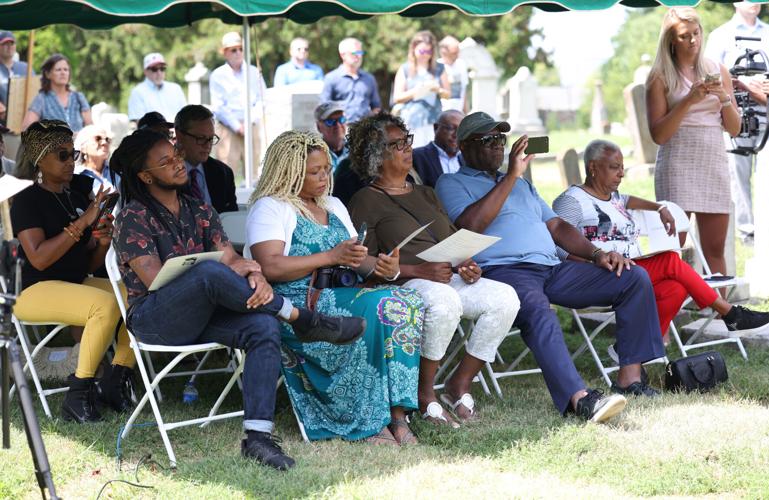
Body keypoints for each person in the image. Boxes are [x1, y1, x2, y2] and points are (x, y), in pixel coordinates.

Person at [110, 129, 366, 470]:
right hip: (155, 320)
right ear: (145, 175)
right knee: (208, 272)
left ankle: (258, 438)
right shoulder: (133, 217)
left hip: (203, 314)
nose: (178, 162)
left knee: (262, 325)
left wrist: (256, 275)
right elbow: (154, 279)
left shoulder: (198, 208)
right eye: (165, 161)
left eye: (175, 154)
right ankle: (298, 317)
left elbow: (233, 259)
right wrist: (211, 271)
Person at [436, 112, 666, 418]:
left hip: (552, 268)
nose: (497, 146)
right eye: (487, 139)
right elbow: (470, 224)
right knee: (539, 311)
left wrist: (597, 254)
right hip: (505, 273)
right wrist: (511, 177)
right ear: (464, 146)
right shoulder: (451, 182)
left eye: (500, 139)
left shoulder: (523, 187)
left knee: (632, 277)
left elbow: (556, 226)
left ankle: (630, 379)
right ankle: (579, 398)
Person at [246, 130, 426, 446]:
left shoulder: (333, 205)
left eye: (327, 169)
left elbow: (356, 261)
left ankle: (398, 415)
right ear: (289, 172)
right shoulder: (271, 207)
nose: (324, 178)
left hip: (343, 292)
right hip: (299, 305)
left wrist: (384, 268)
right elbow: (270, 266)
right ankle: (369, 422)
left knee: (406, 300)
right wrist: (330, 256)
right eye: (314, 172)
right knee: (381, 305)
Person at [348, 112, 519, 425]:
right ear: (377, 156)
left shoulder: (425, 192)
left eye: (407, 140)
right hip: (405, 284)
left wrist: (466, 263)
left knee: (505, 297)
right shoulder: (364, 200)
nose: (406, 147)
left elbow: (453, 239)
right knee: (444, 301)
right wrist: (417, 271)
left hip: (446, 277)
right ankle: (424, 393)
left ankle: (459, 383)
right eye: (396, 144)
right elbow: (362, 264)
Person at [552, 140, 769, 348]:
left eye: (622, 167)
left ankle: (629, 350)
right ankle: (731, 315)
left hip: (630, 272)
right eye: (614, 167)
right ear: (593, 167)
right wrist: (598, 259)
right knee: (670, 260)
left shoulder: (614, 196)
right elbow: (558, 246)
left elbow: (627, 199)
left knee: (675, 289)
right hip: (599, 274)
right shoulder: (572, 200)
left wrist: (659, 207)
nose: (621, 174)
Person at [10, 120, 134, 423]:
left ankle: (115, 380)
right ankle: (78, 395)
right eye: (62, 156)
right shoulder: (27, 200)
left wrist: (102, 241)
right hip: (32, 289)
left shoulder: (74, 197)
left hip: (72, 283)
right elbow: (38, 259)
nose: (71, 162)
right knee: (104, 305)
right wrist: (83, 222)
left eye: (73, 155)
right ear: (40, 159)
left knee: (136, 296)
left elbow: (84, 266)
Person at [646, 8, 740, 277]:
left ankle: (721, 315)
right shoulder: (660, 76)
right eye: (685, 36)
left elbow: (734, 129)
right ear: (671, 40)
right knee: (671, 246)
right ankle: (667, 312)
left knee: (715, 248)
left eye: (696, 33)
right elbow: (659, 135)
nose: (693, 41)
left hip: (712, 157)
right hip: (677, 161)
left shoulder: (717, 69)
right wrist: (689, 100)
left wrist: (723, 96)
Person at [705, 2, 769, 243]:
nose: (755, 3)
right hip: (736, 115)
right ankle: (748, 231)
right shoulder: (720, 36)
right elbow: (710, 74)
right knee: (738, 174)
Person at [209, 32, 267, 179]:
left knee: (255, 174)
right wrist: (237, 126)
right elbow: (218, 106)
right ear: (225, 52)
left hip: (251, 126)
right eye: (233, 50)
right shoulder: (217, 75)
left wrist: (250, 122)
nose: (238, 53)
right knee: (225, 173)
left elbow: (262, 99)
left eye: (240, 48)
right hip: (228, 129)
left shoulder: (254, 72)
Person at [175, 104, 238, 213]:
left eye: (211, 139)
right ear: (179, 135)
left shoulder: (223, 173)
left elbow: (230, 220)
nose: (207, 145)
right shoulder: (163, 172)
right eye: (200, 138)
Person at [392, 30, 450, 148]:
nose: (425, 54)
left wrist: (438, 90)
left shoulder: (439, 68)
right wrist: (415, 91)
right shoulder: (405, 69)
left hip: (434, 120)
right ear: (413, 49)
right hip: (412, 122)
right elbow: (397, 98)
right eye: (422, 51)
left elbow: (448, 94)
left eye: (429, 51)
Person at [22, 54, 91, 132]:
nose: (63, 73)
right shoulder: (41, 99)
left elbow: (90, 129)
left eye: (66, 69)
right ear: (48, 74)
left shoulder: (78, 97)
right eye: (58, 70)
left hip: (78, 143)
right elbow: (26, 129)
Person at [320, 38, 381, 124]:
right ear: (342, 55)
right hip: (340, 129)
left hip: (365, 130)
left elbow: (376, 108)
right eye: (354, 53)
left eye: (360, 53)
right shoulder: (331, 78)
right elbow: (324, 108)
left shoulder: (369, 79)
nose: (358, 56)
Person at [127, 52, 187, 124]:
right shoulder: (137, 92)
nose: (159, 72)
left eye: (162, 68)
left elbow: (185, 116)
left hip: (177, 132)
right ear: (145, 71)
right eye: (154, 69)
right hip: (151, 134)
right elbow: (139, 122)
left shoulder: (176, 89)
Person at [412, 109, 465, 188]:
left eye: (461, 130)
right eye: (451, 128)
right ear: (436, 127)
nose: (456, 135)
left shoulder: (467, 160)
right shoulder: (416, 157)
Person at [74, 124, 117, 195]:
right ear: (83, 148)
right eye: (98, 138)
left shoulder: (117, 172)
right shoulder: (75, 176)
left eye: (107, 139)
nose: (104, 143)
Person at [1, 31, 32, 124]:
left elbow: (36, 90)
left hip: (24, 122)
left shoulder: (25, 67)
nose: (9, 46)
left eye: (12, 43)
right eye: (5, 44)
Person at [314, 101, 349, 173]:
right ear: (318, 127)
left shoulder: (356, 151)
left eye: (341, 120)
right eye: (330, 121)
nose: (338, 125)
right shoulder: (313, 155)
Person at [438, 36, 469, 113]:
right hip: (442, 114)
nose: (458, 55)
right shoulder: (437, 66)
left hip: (458, 113)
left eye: (458, 52)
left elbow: (464, 90)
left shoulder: (461, 64)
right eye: (454, 53)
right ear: (444, 52)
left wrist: (466, 113)